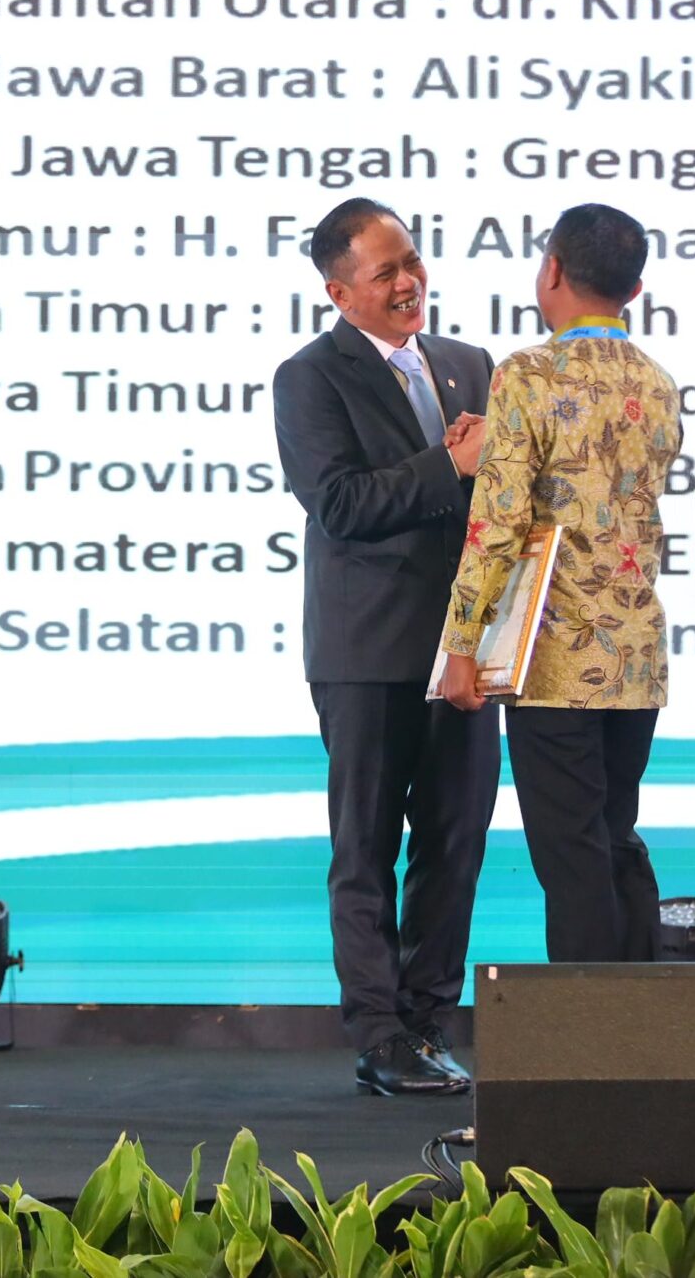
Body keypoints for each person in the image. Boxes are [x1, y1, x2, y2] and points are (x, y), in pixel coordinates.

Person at [272, 198, 497, 1096]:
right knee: (365, 847)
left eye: (412, 260)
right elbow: (340, 504)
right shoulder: (309, 378)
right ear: (339, 292)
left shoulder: (471, 365)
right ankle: (378, 1034)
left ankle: (428, 1022)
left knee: (456, 839)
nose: (409, 282)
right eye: (385, 272)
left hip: (466, 652)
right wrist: (451, 465)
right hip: (366, 651)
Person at [440, 203, 683, 963]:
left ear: (550, 271)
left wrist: (461, 646)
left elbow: (499, 522)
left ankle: (591, 1030)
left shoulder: (528, 375)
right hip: (635, 657)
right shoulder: (658, 382)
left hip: (556, 661)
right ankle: (648, 1013)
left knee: (572, 853)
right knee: (614, 835)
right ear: (634, 289)